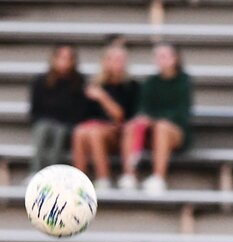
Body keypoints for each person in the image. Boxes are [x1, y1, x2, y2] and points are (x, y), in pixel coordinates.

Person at [119, 43, 192, 195]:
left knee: (162, 127)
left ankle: (159, 177)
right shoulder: (151, 82)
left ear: (175, 59)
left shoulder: (184, 81)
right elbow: (143, 108)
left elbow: (180, 113)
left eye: (165, 56)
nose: (161, 60)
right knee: (131, 126)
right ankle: (129, 175)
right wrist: (142, 119)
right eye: (158, 57)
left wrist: (153, 119)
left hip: (174, 131)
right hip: (151, 130)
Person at [71, 42, 139, 190]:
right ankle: (79, 180)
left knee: (95, 132)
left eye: (121, 59)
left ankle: (104, 177)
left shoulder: (132, 86)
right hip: (96, 130)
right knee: (80, 132)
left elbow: (122, 117)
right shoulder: (95, 85)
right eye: (114, 59)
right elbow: (83, 116)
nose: (118, 63)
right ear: (105, 61)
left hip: (122, 133)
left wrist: (103, 98)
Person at [28, 44, 87, 174]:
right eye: (61, 57)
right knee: (43, 129)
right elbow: (35, 111)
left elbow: (80, 112)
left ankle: (51, 173)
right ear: (54, 59)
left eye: (68, 58)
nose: (64, 62)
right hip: (45, 123)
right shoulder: (41, 81)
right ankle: (35, 171)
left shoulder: (79, 83)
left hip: (67, 125)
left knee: (59, 132)